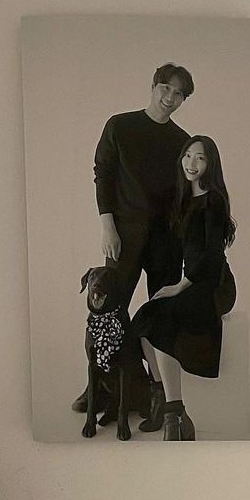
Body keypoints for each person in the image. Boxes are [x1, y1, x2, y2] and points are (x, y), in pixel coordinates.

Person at [71, 62, 194, 422]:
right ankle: (101, 385)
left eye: (179, 94)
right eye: (166, 88)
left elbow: (186, 192)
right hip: (124, 234)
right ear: (154, 87)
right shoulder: (120, 126)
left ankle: (157, 393)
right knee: (108, 311)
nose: (170, 98)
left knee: (160, 313)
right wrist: (107, 225)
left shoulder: (182, 141)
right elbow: (103, 174)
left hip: (166, 239)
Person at [131, 135, 237, 441]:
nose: (192, 163)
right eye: (188, 155)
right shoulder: (181, 199)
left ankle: (173, 415)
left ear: (210, 164)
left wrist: (179, 287)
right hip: (192, 281)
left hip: (214, 284)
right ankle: (166, 403)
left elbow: (211, 257)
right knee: (144, 319)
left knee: (160, 322)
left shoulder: (213, 200)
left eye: (200, 157)